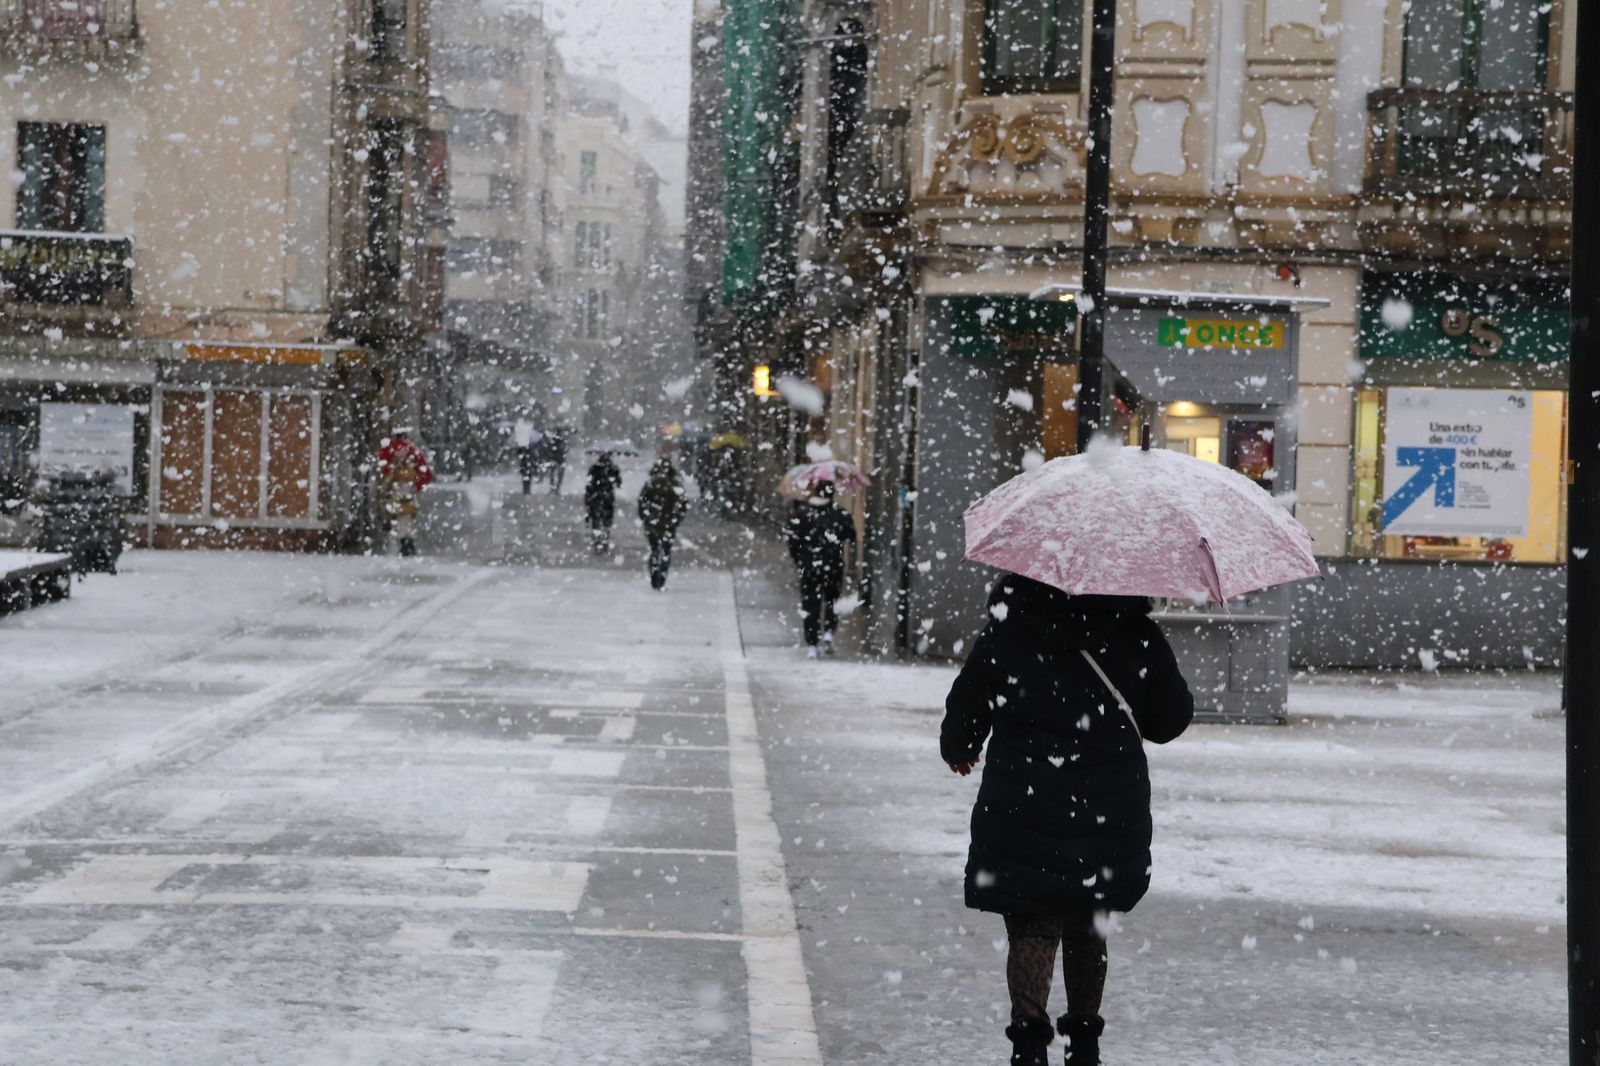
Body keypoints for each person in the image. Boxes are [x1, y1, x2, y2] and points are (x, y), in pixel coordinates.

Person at [940, 575, 1194, 1066]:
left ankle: (1030, 1044)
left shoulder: (1008, 628)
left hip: (1022, 801)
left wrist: (960, 748)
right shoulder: (1133, 631)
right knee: (1089, 923)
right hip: (1108, 806)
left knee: (1032, 925)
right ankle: (1084, 1044)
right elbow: (1170, 721)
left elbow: (967, 707)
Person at [785, 481, 856, 659]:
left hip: (809, 567)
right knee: (831, 601)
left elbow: (793, 541)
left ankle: (812, 644)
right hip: (833, 566)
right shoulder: (840, 514)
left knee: (810, 604)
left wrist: (799, 559)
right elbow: (851, 536)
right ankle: (829, 633)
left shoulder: (802, 514)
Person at [377, 430, 433, 557]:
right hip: (409, 490)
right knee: (407, 518)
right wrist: (417, 485)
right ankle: (408, 541)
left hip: (397, 491)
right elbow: (426, 473)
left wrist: (386, 485)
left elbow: (385, 472)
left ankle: (404, 541)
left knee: (400, 517)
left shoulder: (389, 450)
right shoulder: (412, 450)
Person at [637, 456, 688, 590]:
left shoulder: (651, 482)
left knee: (655, 549)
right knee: (665, 550)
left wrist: (645, 516)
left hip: (653, 522)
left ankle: (655, 574)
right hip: (668, 522)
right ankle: (661, 576)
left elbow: (642, 501)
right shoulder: (674, 484)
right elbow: (683, 504)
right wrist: (676, 519)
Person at [584, 450, 623, 554]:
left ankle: (603, 542)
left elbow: (618, 483)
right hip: (597, 498)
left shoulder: (612, 468)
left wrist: (613, 479)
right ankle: (598, 543)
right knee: (597, 521)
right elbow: (589, 484)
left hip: (606, 499)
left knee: (605, 522)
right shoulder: (595, 468)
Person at [548, 428, 568, 494]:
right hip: (560, 460)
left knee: (552, 474)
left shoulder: (554, 440)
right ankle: (557, 488)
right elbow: (565, 449)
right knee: (559, 475)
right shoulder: (563, 440)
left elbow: (550, 449)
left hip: (554, 459)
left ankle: (553, 488)